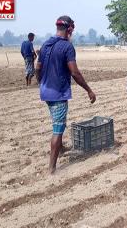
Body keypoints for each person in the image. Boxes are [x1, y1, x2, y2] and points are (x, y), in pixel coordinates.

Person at [36, 15, 96, 174]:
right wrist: (89, 90)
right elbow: (75, 73)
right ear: (69, 29)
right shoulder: (67, 47)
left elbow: (37, 68)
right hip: (58, 93)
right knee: (58, 128)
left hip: (46, 91)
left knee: (57, 120)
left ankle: (61, 148)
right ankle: (52, 168)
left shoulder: (45, 44)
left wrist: (41, 83)